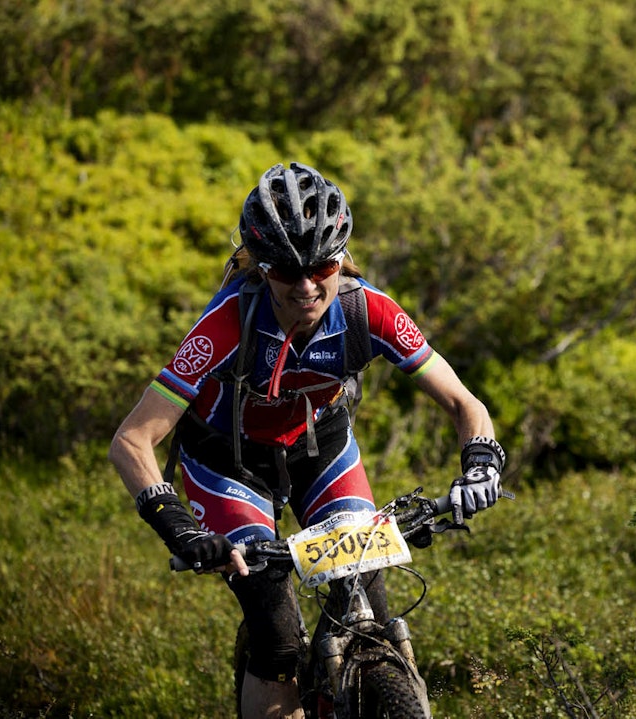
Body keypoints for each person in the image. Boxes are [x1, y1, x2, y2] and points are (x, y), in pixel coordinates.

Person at [109, 161, 505, 718]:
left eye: (322, 265)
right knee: (278, 634)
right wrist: (176, 525)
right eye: (284, 270)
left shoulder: (366, 309)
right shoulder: (226, 324)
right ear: (258, 266)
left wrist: (481, 463)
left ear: (341, 256)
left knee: (368, 595)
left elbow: (465, 403)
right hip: (228, 461)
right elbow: (132, 439)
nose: (306, 286)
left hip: (320, 448)